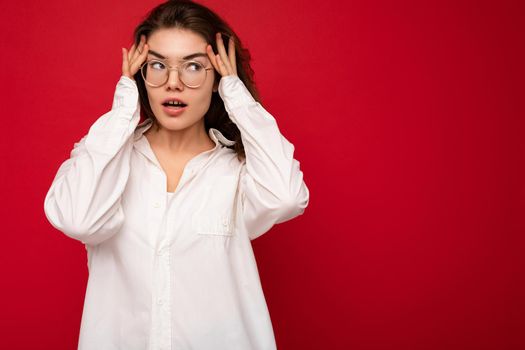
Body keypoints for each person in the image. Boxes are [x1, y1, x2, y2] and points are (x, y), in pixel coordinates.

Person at [43, 0, 309, 349]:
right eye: (157, 65)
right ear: (141, 75)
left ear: (218, 79)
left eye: (194, 67)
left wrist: (237, 96)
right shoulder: (105, 159)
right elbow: (78, 220)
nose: (173, 83)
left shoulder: (237, 175)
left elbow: (286, 197)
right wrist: (124, 106)